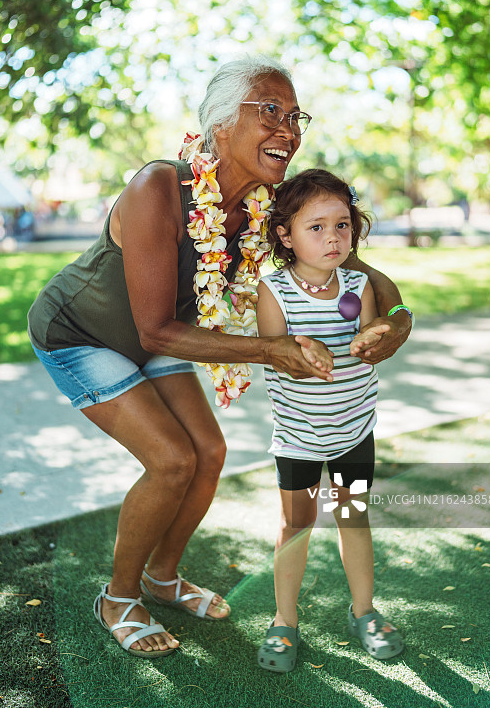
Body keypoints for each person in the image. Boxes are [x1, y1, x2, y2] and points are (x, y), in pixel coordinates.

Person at [27, 57, 411, 660]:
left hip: (160, 338)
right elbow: (156, 329)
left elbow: (355, 268)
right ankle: (119, 595)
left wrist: (398, 319)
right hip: (82, 333)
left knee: (211, 452)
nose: (288, 128)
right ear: (221, 123)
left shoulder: (269, 205)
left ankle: (162, 575)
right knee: (173, 460)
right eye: (270, 111)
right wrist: (272, 349)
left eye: (294, 116)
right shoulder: (159, 187)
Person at [256, 169, 411, 672]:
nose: (333, 237)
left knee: (352, 517)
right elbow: (277, 351)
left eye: (342, 225)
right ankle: (284, 619)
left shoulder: (359, 283)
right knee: (296, 523)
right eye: (316, 227)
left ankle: (364, 612)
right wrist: (305, 349)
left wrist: (369, 338)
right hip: (299, 438)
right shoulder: (273, 291)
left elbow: (371, 337)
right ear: (286, 235)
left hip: (353, 431)